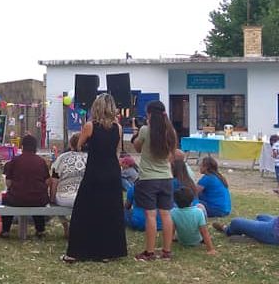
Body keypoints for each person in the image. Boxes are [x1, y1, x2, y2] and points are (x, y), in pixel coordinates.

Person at [62, 93, 127, 263]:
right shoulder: (118, 128)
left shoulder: (90, 126)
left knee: (84, 210)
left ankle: (77, 251)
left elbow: (78, 145)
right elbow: (116, 150)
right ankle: (108, 252)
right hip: (112, 171)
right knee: (110, 211)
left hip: (95, 171)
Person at [131, 100, 177, 261]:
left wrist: (136, 133)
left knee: (150, 215)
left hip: (148, 179)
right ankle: (166, 251)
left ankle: (149, 252)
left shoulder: (145, 130)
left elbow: (137, 147)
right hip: (166, 177)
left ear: (149, 114)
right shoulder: (171, 132)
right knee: (166, 214)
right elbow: (172, 155)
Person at [0, 134, 51, 238]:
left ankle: (5, 230)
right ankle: (40, 230)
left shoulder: (15, 160)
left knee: (6, 200)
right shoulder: (41, 161)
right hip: (38, 199)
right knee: (38, 198)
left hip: (16, 198)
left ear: (22, 147)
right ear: (35, 147)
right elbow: (47, 181)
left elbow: (8, 182)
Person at [50, 136, 87, 238]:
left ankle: (66, 227)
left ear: (70, 144)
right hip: (85, 198)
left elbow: (54, 180)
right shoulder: (89, 158)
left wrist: (52, 198)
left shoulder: (62, 158)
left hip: (65, 197)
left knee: (56, 201)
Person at [171, 187, 216, 255]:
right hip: (197, 240)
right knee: (200, 206)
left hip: (182, 241)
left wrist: (168, 248)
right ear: (192, 200)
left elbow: (171, 231)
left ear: (175, 202)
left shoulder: (173, 212)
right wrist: (211, 249)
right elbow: (204, 232)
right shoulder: (199, 212)